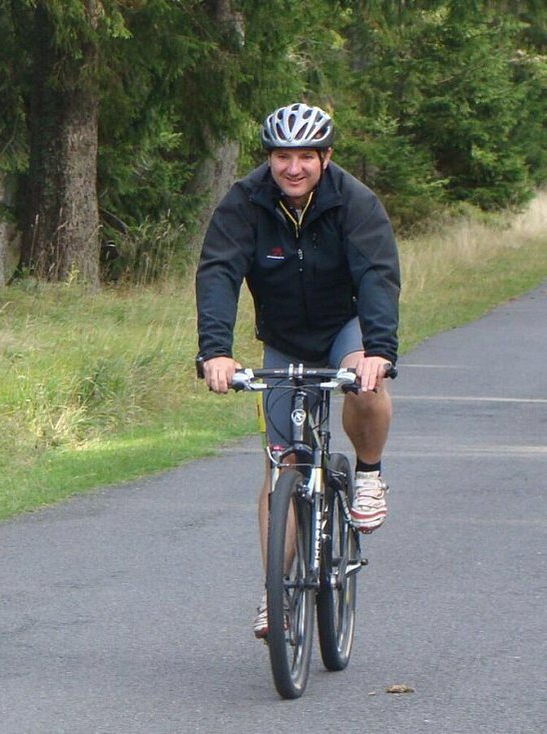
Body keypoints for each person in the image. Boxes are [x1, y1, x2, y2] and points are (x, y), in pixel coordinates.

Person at [195, 102, 400, 639]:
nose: (292, 168)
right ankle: (275, 595)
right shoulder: (245, 201)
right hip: (283, 339)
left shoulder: (355, 202)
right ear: (269, 159)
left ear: (325, 158)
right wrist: (215, 351)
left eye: (305, 157)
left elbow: (378, 274)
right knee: (281, 466)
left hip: (342, 328)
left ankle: (370, 476)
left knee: (364, 378)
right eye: (282, 157)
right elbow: (218, 271)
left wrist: (378, 348)